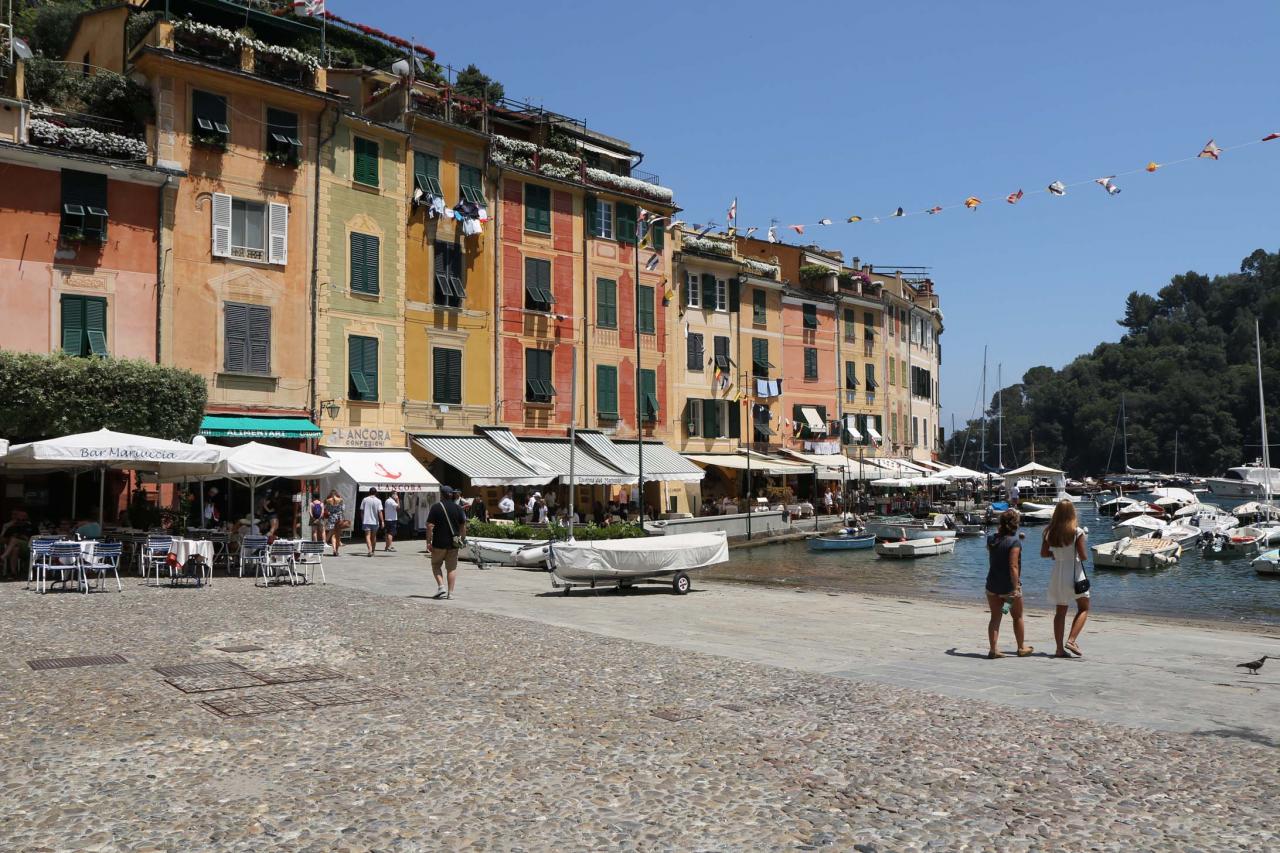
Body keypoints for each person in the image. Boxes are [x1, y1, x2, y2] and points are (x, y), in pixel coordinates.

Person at [1041, 499, 1091, 658]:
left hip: (1058, 573)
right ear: (1072, 513)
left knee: (1060, 611)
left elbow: (1043, 553)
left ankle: (1059, 649)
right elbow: (1083, 556)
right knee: (1083, 607)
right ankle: (1071, 639)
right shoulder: (1077, 532)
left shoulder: (1049, 532)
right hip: (1074, 572)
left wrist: (1056, 554)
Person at [985, 508, 1034, 659]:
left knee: (995, 617)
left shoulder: (991, 539)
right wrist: (1016, 587)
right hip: (1008, 587)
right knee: (1017, 616)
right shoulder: (1015, 542)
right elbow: (1013, 566)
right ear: (1015, 524)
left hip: (992, 585)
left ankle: (993, 649)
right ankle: (1021, 647)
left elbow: (997, 549)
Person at [426, 487, 467, 599]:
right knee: (451, 568)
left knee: (436, 565)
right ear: (452, 495)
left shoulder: (436, 507)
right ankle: (451, 593)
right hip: (453, 543)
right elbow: (463, 525)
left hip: (438, 542)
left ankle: (441, 586)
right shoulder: (458, 508)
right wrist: (463, 539)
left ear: (441, 494)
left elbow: (429, 526)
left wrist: (428, 542)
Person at [359, 490, 383, 557]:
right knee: (374, 536)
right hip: (375, 521)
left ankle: (369, 550)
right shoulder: (378, 500)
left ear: (369, 492)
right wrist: (382, 521)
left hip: (366, 520)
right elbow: (380, 512)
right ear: (376, 493)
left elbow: (362, 511)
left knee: (367, 536)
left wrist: (362, 519)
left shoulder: (365, 499)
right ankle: (373, 550)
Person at [324, 489, 347, 556]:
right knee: (338, 535)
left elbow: (327, 509)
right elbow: (343, 509)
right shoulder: (341, 500)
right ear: (336, 493)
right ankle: (336, 550)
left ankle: (334, 550)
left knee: (333, 535)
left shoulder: (328, 500)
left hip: (332, 517)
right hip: (339, 518)